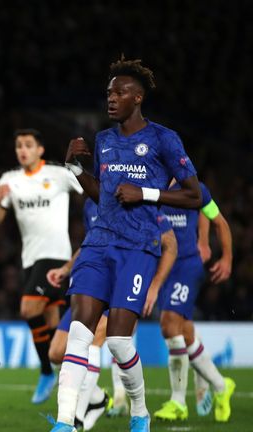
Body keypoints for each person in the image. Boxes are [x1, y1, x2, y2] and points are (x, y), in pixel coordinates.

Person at [51, 56, 202, 432]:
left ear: (138, 98)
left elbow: (194, 195)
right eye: (108, 93)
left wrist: (147, 193)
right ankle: (64, 423)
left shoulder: (163, 139)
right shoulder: (103, 141)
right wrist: (73, 170)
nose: (112, 98)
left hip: (139, 247)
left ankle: (140, 411)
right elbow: (104, 196)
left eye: (120, 92)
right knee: (80, 334)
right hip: (98, 245)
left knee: (118, 342)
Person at [48, 199, 177, 430]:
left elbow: (170, 243)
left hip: (125, 275)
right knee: (56, 352)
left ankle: (72, 419)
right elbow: (92, 240)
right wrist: (66, 269)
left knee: (103, 339)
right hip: (97, 272)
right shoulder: (90, 203)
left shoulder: (138, 199)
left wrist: (155, 285)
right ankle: (97, 400)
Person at [0, 129, 83, 404]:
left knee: (28, 308)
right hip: (30, 259)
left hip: (56, 257)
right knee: (55, 334)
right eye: (18, 145)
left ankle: (45, 372)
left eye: (28, 145)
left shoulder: (58, 175)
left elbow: (88, 189)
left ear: (40, 149)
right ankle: (87, 391)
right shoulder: (10, 180)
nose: (22, 150)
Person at [153, 180, 235, 422]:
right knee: (185, 334)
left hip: (187, 265)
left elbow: (218, 219)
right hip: (162, 266)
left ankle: (178, 402)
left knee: (169, 325)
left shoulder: (195, 189)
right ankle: (221, 386)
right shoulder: (150, 184)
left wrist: (224, 256)